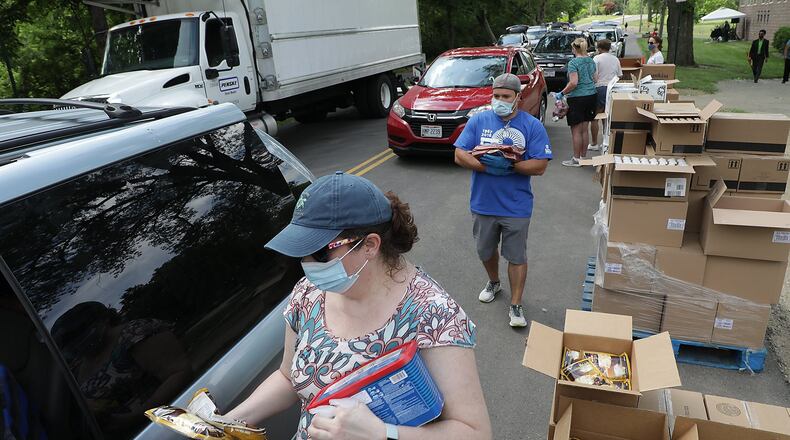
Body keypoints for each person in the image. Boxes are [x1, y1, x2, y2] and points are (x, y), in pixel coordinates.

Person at [225, 173, 492, 440]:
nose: (307, 263)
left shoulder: (433, 315)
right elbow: (287, 378)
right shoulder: (308, 295)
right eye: (302, 253)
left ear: (370, 245)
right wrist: (227, 423)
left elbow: (474, 432)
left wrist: (382, 434)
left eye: (319, 253)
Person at [453, 73, 552, 328]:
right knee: (484, 250)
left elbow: (540, 165)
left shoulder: (532, 126)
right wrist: (486, 168)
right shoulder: (479, 120)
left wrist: (512, 166)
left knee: (516, 255)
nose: (499, 101)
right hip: (483, 203)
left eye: (505, 97)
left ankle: (516, 304)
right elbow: (459, 154)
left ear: (518, 98)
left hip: (516, 206)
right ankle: (494, 282)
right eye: (496, 96)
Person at [555, 38, 597, 166]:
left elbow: (573, 82)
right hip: (591, 96)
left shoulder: (573, 63)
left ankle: (575, 158)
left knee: (576, 130)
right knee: (584, 129)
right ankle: (583, 158)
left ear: (575, 48)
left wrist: (562, 93)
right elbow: (595, 78)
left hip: (578, 98)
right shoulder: (591, 61)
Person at [589, 39, 622, 151]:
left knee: (595, 117)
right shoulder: (615, 59)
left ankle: (594, 143)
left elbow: (594, 76)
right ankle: (606, 141)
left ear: (599, 48)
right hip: (612, 88)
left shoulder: (596, 59)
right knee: (607, 116)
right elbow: (619, 75)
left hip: (600, 88)